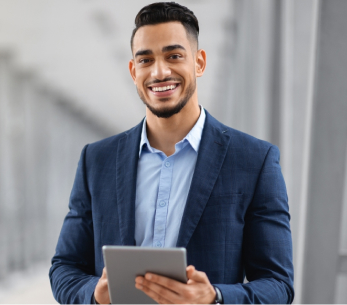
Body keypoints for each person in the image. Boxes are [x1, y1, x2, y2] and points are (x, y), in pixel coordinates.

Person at [49, 2, 294, 304]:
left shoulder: (255, 161)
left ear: (199, 63)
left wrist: (215, 297)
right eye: (146, 60)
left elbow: (278, 284)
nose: (159, 71)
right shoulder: (96, 161)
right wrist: (94, 295)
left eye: (174, 56)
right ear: (133, 70)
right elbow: (64, 267)